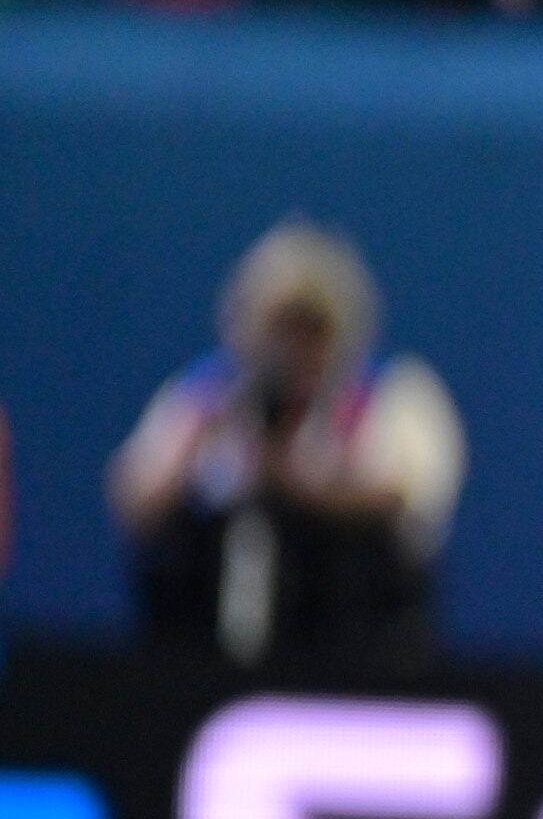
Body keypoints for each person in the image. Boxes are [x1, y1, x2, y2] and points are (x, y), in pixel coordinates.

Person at [111, 221, 465, 674]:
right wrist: (200, 447)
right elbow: (136, 499)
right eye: (280, 328)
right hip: (206, 649)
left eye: (311, 329)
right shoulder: (204, 398)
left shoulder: (390, 397)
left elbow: (405, 497)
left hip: (359, 651)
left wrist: (293, 482)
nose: (293, 349)